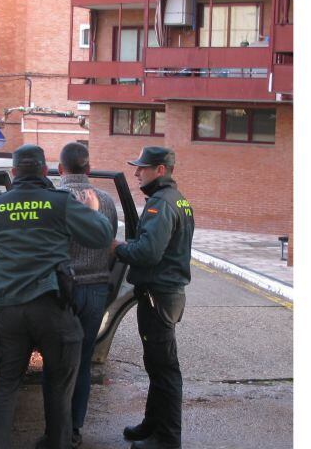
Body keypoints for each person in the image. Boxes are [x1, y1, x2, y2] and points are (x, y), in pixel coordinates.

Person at [0, 144, 114, 449]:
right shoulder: (60, 202)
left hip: (10, 309)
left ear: (14, 173)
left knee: (6, 386)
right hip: (52, 307)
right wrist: (92, 212)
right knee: (57, 386)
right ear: (45, 171)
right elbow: (102, 236)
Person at [113, 146, 194, 449]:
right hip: (163, 295)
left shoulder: (162, 204)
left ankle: (167, 439)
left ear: (160, 170)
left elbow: (147, 252)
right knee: (156, 366)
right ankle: (152, 425)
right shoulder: (177, 200)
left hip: (158, 297)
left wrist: (117, 248)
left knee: (165, 370)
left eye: (142, 168)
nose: (137, 173)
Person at [55, 142, 118, 448]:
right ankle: (75, 428)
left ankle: (55, 427)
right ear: (89, 170)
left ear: (60, 169)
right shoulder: (106, 201)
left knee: (56, 360)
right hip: (95, 290)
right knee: (81, 361)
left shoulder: (53, 200)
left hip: (60, 290)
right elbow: (110, 245)